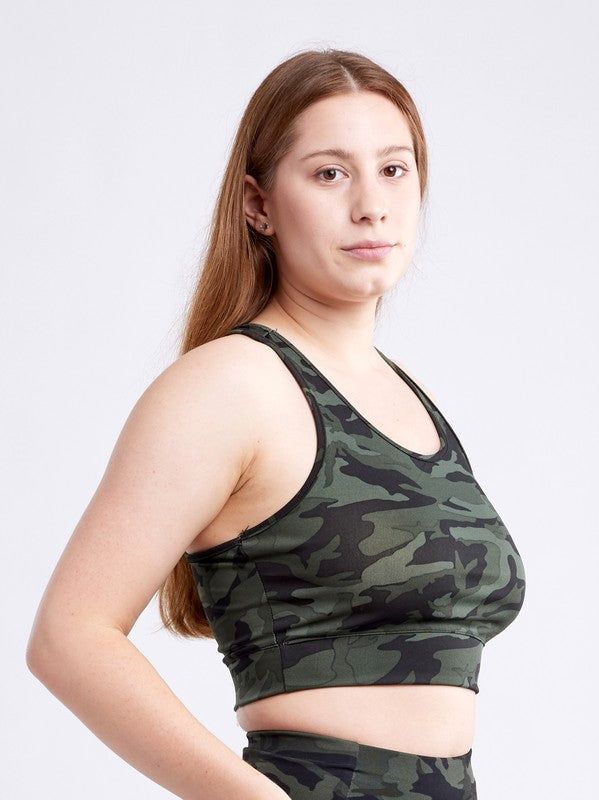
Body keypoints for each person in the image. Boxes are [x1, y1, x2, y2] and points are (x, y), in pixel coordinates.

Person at [26, 48, 526, 800]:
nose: (371, 205)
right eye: (330, 173)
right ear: (258, 204)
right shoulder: (228, 386)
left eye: (394, 169)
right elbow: (69, 638)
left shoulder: (404, 396)